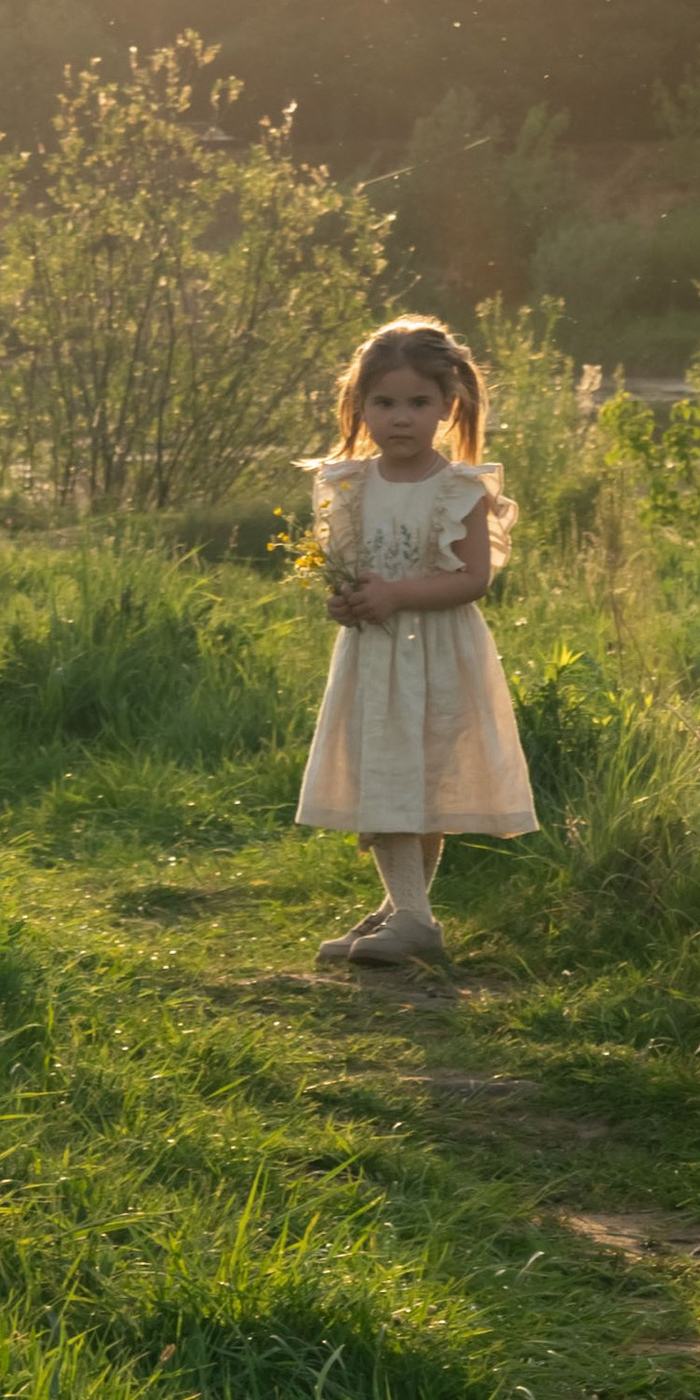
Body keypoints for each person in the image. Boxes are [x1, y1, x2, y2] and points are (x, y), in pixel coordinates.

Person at [293, 314, 537, 963]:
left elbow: (474, 578)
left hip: (438, 656)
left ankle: (412, 916)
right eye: (385, 402)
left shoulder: (459, 488)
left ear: (446, 406)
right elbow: (345, 569)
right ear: (360, 405)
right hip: (373, 656)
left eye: (418, 402)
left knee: (418, 783)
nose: (401, 417)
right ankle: (404, 912)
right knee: (387, 775)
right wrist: (345, 601)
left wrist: (398, 594)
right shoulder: (349, 485)